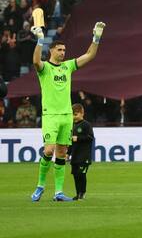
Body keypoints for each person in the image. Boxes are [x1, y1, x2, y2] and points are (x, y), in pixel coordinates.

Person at [30, 20, 105, 202]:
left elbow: (89, 55)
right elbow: (35, 61)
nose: (63, 53)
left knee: (62, 153)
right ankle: (40, 186)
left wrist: (96, 37)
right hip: (50, 116)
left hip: (66, 116)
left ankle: (58, 192)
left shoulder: (68, 66)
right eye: (59, 50)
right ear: (52, 51)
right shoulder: (45, 69)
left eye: (64, 50)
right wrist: (40, 40)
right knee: (48, 151)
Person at [69, 103, 94, 200]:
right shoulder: (71, 126)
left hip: (84, 156)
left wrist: (78, 138)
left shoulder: (86, 125)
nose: (74, 117)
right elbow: (70, 142)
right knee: (75, 175)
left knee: (81, 174)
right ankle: (77, 193)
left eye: (75, 114)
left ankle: (82, 193)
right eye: (72, 114)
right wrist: (68, 153)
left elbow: (90, 138)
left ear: (82, 113)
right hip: (75, 156)